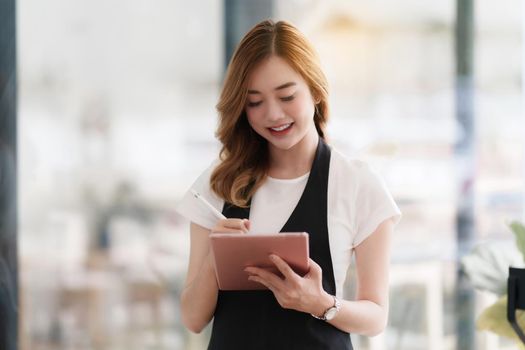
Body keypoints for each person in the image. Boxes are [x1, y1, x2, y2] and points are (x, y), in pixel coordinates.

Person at [176, 19, 401, 350]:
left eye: (287, 96)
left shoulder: (356, 184)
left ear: (314, 90)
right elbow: (193, 319)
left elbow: (376, 316)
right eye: (254, 102)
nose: (273, 114)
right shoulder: (218, 184)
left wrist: (321, 303)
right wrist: (214, 256)